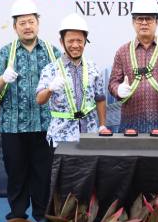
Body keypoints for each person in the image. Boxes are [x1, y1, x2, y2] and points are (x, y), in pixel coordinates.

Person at [0, 0, 61, 222]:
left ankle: (41, 216)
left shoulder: (52, 52)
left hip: (44, 125)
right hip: (13, 125)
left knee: (42, 173)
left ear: (38, 23)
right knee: (16, 173)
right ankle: (17, 217)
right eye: (22, 23)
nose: (27, 26)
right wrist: (2, 79)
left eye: (31, 21)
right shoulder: (5, 53)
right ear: (15, 26)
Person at [108, 0, 158, 133]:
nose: (144, 23)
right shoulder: (123, 51)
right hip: (131, 123)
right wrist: (118, 89)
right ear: (133, 22)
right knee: (131, 155)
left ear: (157, 21)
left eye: (149, 18)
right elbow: (113, 83)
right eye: (139, 18)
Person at [36, 13, 106, 145]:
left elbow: (100, 98)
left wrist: (102, 125)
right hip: (61, 137)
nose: (75, 45)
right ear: (62, 42)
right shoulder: (50, 69)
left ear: (85, 41)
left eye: (79, 41)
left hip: (89, 135)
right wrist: (50, 89)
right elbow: (39, 99)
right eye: (70, 41)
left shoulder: (93, 68)